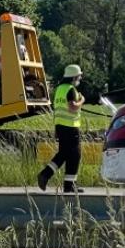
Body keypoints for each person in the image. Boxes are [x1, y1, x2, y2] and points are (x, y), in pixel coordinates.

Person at [38, 64, 86, 193]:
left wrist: (56, 129)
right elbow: (72, 107)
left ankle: (66, 184)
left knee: (65, 154)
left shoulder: (59, 89)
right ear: (74, 77)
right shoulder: (71, 90)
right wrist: (81, 100)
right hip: (71, 127)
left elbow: (59, 110)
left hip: (60, 126)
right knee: (74, 155)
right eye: (79, 76)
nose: (80, 79)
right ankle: (47, 176)